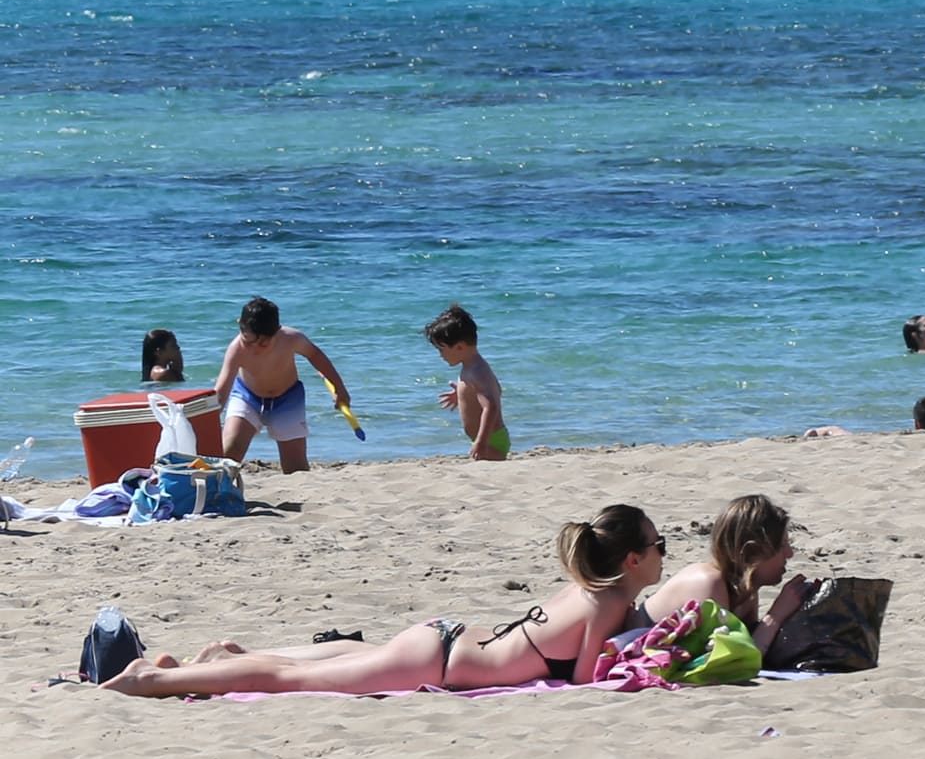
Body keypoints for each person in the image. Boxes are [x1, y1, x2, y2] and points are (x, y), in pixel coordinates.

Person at [98, 505, 666, 697]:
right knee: (290, 681)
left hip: (444, 640)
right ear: (632, 561)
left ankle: (216, 662)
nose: (665, 553)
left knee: (321, 664)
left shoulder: (586, 588)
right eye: (658, 545)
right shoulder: (604, 606)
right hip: (436, 662)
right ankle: (152, 681)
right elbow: (588, 680)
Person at [644, 494, 816, 655]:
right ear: (751, 552)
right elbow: (728, 661)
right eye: (781, 545)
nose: (789, 554)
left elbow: (746, 645)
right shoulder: (709, 583)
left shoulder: (744, 588)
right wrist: (775, 616)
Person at [203, 297, 350, 474]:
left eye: (263, 343)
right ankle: (222, 487)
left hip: (288, 399)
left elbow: (316, 356)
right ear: (240, 324)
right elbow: (221, 393)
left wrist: (339, 388)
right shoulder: (236, 349)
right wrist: (205, 424)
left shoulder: (291, 338)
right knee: (229, 452)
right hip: (247, 397)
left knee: (295, 468)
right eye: (248, 340)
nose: (255, 348)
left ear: (277, 331)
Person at [426, 305, 511, 461]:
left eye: (441, 350)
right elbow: (496, 389)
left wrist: (481, 442)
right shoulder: (474, 366)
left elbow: (491, 406)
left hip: (490, 440)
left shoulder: (476, 371)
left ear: (459, 347)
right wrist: (462, 394)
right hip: (490, 438)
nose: (440, 356)